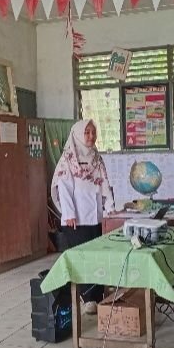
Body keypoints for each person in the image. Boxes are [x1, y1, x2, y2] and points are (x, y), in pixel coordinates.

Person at [51, 119, 115, 315]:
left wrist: (110, 207)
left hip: (95, 215)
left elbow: (104, 183)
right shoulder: (68, 159)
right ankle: (86, 297)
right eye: (86, 132)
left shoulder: (96, 157)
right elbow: (64, 187)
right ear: (78, 134)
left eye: (93, 132)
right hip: (76, 218)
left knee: (97, 256)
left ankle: (97, 295)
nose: (90, 136)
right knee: (83, 258)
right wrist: (68, 213)